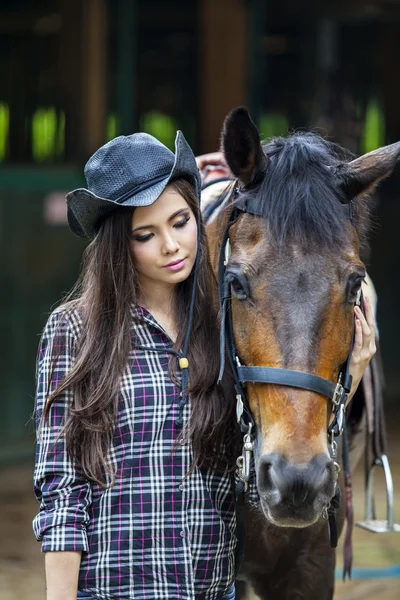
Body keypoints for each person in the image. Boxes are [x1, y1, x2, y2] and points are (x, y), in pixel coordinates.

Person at [33, 133, 376, 600]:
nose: (172, 246)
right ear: (119, 243)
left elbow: (279, 410)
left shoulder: (222, 329)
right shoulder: (75, 330)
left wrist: (352, 373)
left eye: (180, 222)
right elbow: (63, 489)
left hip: (206, 588)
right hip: (117, 586)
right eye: (145, 234)